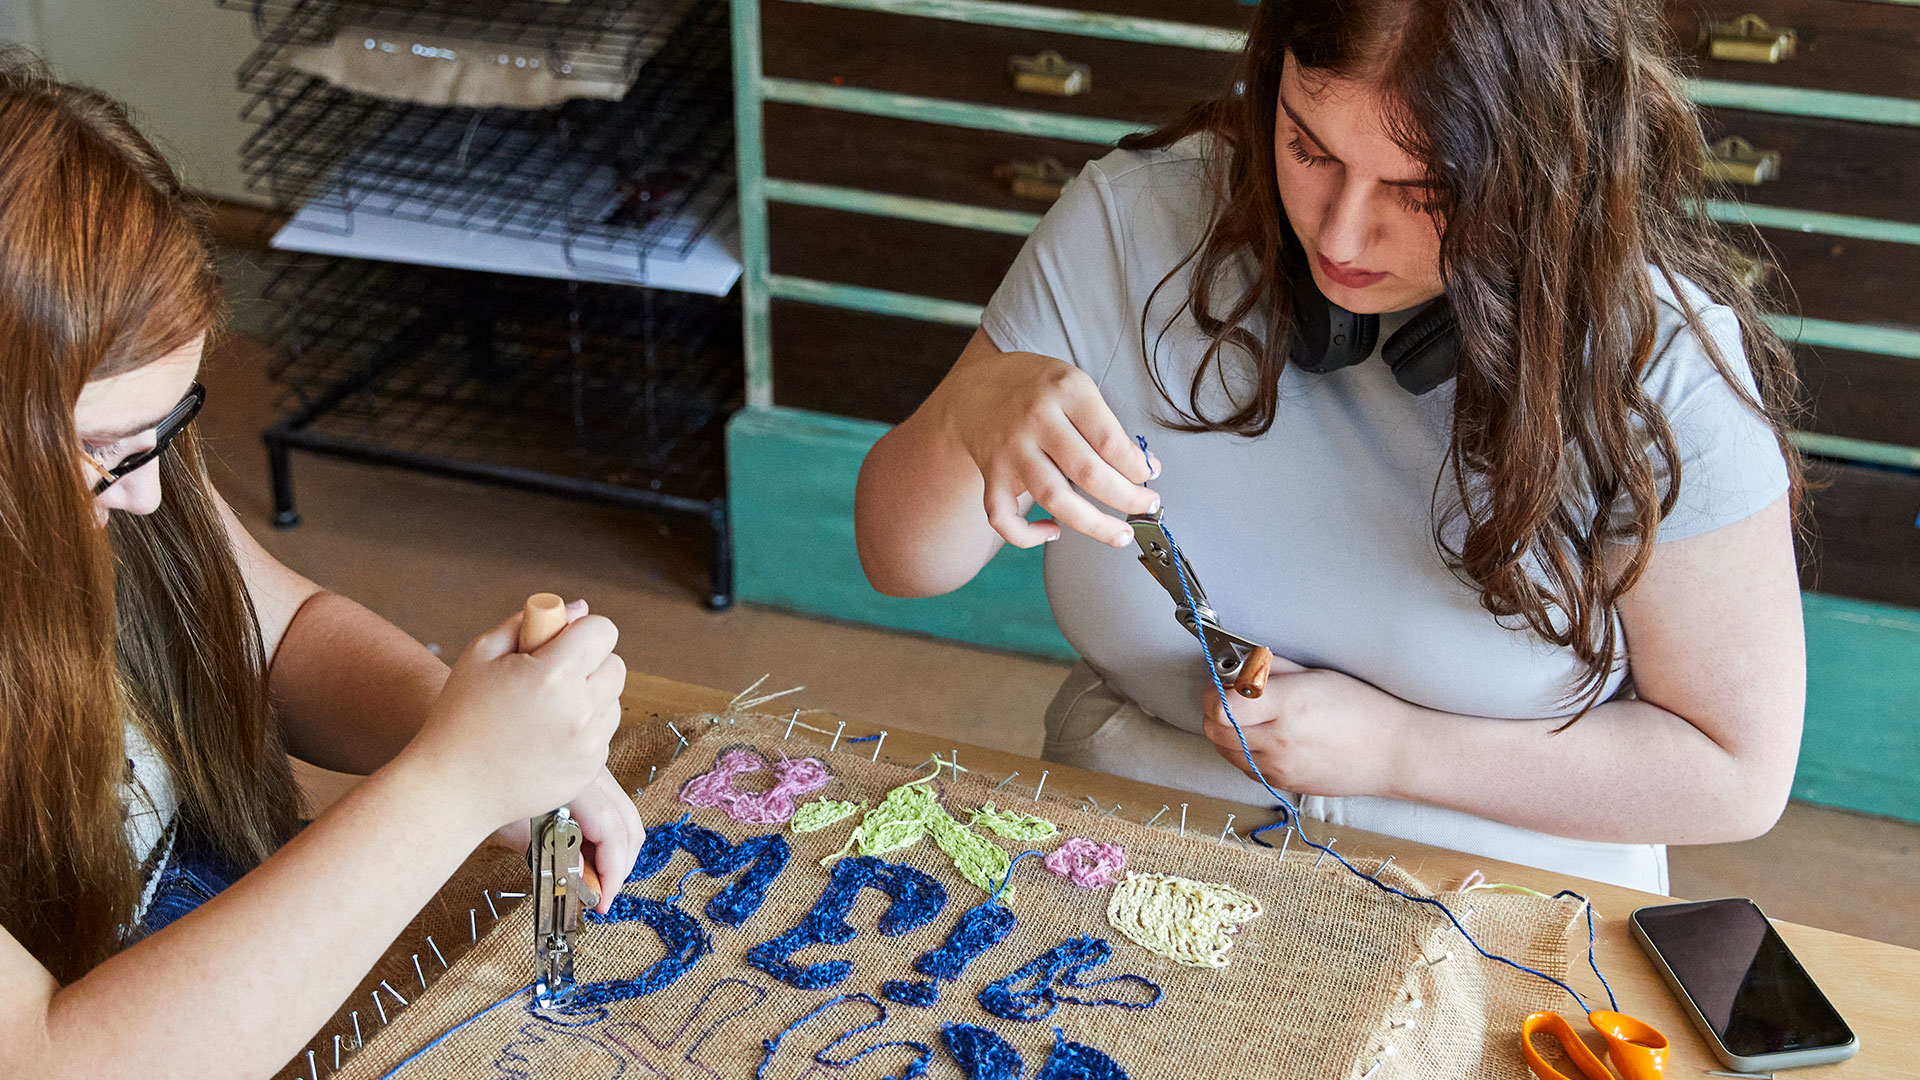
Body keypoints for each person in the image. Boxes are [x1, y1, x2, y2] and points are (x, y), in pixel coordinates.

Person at [855, 0, 1805, 893]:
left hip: (1502, 903)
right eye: (1308, 146)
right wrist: (966, 415)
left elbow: (1737, 773)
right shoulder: (1132, 222)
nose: (1341, 234)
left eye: (1421, 187)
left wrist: (1397, 750)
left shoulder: (1664, 367)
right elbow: (900, 562)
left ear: (1544, 173)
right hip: (1120, 855)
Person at [0, 60, 642, 1078]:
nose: (150, 495)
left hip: (221, 957)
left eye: (167, 428)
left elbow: (273, 634)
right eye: (111, 450)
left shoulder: (114, 471)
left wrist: (462, 723)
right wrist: (451, 785)